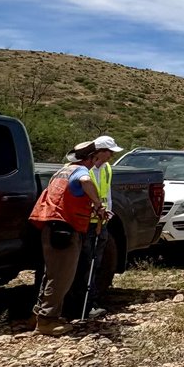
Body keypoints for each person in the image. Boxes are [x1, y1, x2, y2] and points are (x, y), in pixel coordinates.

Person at [29, 139, 114, 336]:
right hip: (65, 229)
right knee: (62, 276)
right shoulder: (81, 171)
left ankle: (38, 315)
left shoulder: (63, 170)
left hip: (50, 226)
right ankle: (47, 320)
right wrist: (98, 204)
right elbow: (85, 181)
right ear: (91, 157)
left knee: (51, 273)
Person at [70, 135, 123, 321]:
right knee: (85, 263)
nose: (111, 156)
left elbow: (105, 194)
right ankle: (82, 304)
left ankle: (90, 301)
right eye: (109, 152)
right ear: (99, 152)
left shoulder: (107, 169)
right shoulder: (84, 170)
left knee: (95, 263)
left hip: (101, 222)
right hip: (86, 223)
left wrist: (107, 212)